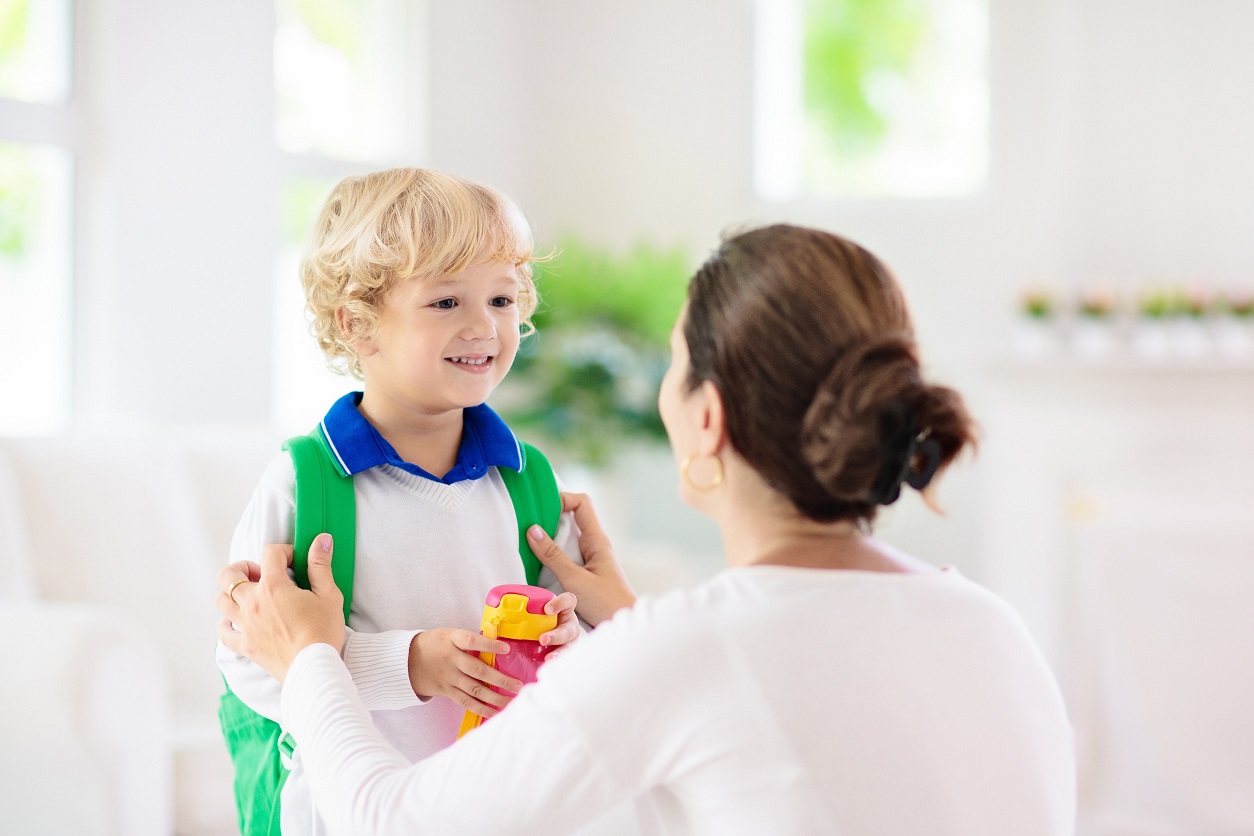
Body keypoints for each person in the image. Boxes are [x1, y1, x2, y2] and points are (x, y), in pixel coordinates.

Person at [218, 224, 1077, 835]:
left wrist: (306, 660)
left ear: (706, 418)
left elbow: (391, 821)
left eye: (672, 365)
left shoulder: (686, 650)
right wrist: (627, 623)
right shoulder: (991, 627)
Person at [215, 168, 583, 835]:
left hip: (488, 809)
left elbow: (581, 646)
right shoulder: (306, 483)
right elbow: (255, 660)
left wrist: (567, 637)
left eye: (501, 300)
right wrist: (408, 665)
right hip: (334, 812)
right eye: (447, 303)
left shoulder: (527, 481)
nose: (484, 327)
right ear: (357, 323)